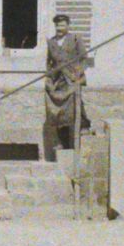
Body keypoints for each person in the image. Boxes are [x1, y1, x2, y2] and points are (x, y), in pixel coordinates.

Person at [41, 12, 91, 161]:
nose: (59, 27)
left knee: (76, 106)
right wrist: (49, 79)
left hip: (73, 78)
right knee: (60, 111)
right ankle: (63, 144)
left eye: (62, 25)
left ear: (68, 26)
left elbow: (84, 59)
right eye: (57, 25)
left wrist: (78, 73)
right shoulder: (51, 42)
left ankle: (83, 130)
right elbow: (49, 63)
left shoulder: (75, 39)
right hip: (59, 81)